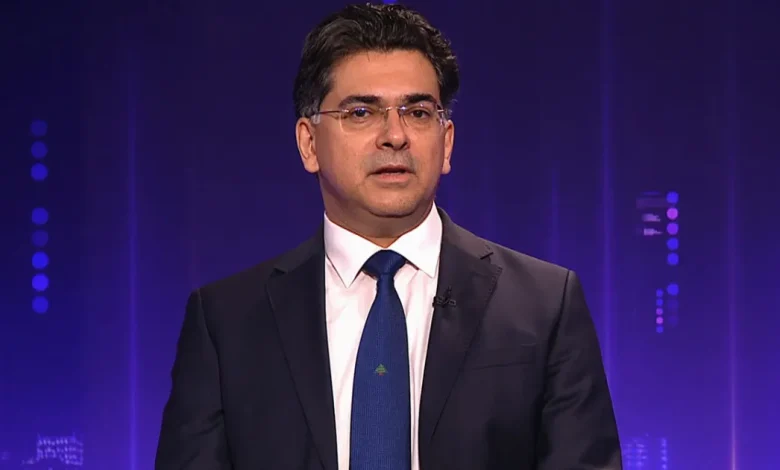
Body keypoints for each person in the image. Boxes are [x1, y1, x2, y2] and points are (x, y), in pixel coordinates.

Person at [154, 3, 622, 469]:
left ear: (447, 142)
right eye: (362, 112)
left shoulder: (544, 306)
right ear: (309, 143)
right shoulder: (227, 323)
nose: (395, 135)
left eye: (417, 112)